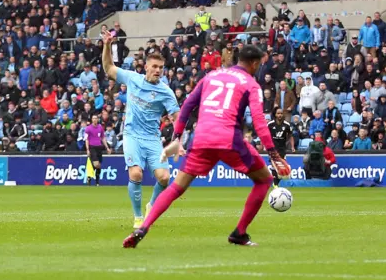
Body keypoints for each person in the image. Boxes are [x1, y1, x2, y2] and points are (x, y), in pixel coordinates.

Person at [123, 45, 291, 249]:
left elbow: (187, 106)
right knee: (264, 180)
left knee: (176, 187)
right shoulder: (251, 84)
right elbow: (259, 121)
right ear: (255, 63)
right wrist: (273, 153)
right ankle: (239, 233)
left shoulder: (212, 76)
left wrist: (177, 137)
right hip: (229, 140)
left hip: (200, 137)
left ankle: (143, 227)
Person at [101, 29, 181, 229]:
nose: (157, 70)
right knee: (135, 174)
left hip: (152, 138)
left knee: (164, 178)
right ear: (145, 66)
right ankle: (138, 217)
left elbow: (178, 118)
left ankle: (152, 205)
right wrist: (106, 45)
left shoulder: (166, 92)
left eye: (161, 68)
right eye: (154, 66)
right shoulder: (132, 78)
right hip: (132, 136)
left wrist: (177, 141)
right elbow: (108, 67)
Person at [267, 107, 295, 187]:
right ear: (275, 115)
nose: (280, 115)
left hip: (282, 149)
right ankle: (275, 184)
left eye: (281, 113)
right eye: (278, 113)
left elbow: (290, 136)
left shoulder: (286, 125)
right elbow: (265, 135)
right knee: (274, 166)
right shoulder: (270, 124)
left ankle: (276, 183)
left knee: (281, 167)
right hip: (273, 149)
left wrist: (292, 146)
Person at [84, 114, 111, 186]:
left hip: (99, 147)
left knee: (98, 165)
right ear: (92, 120)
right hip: (92, 147)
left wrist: (107, 147)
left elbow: (103, 138)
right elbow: (86, 139)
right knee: (96, 163)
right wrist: (87, 149)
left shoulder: (100, 127)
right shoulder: (88, 128)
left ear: (98, 119)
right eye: (93, 118)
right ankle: (95, 180)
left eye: (96, 118)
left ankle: (93, 179)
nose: (95, 119)